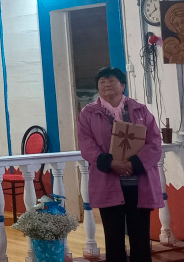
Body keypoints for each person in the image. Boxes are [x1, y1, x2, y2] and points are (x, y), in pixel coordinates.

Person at [76, 67, 163, 262]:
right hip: (108, 182)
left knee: (140, 238)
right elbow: (87, 146)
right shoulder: (88, 114)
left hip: (139, 184)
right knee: (113, 239)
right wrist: (112, 163)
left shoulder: (140, 110)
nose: (106, 85)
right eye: (102, 82)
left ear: (123, 85)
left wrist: (133, 164)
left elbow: (154, 143)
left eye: (111, 81)